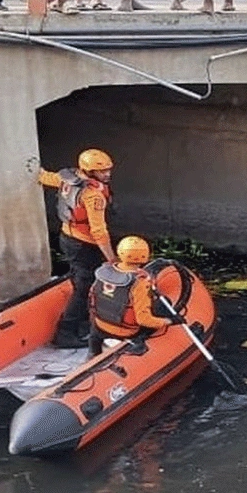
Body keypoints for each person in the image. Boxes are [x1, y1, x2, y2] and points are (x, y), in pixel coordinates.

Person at [38, 148, 118, 348]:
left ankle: (82, 322)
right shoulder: (93, 196)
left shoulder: (69, 180)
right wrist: (111, 258)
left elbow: (47, 178)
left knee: (78, 279)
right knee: (84, 287)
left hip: (67, 238)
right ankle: (66, 332)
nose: (107, 175)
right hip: (85, 245)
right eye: (102, 172)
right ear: (89, 172)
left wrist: (38, 172)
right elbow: (99, 231)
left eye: (108, 170)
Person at [87, 236, 175, 356]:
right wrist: (168, 321)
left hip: (99, 326)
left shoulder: (104, 272)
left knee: (97, 328)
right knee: (163, 305)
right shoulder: (140, 284)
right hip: (126, 332)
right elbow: (143, 320)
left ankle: (93, 351)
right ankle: (139, 341)